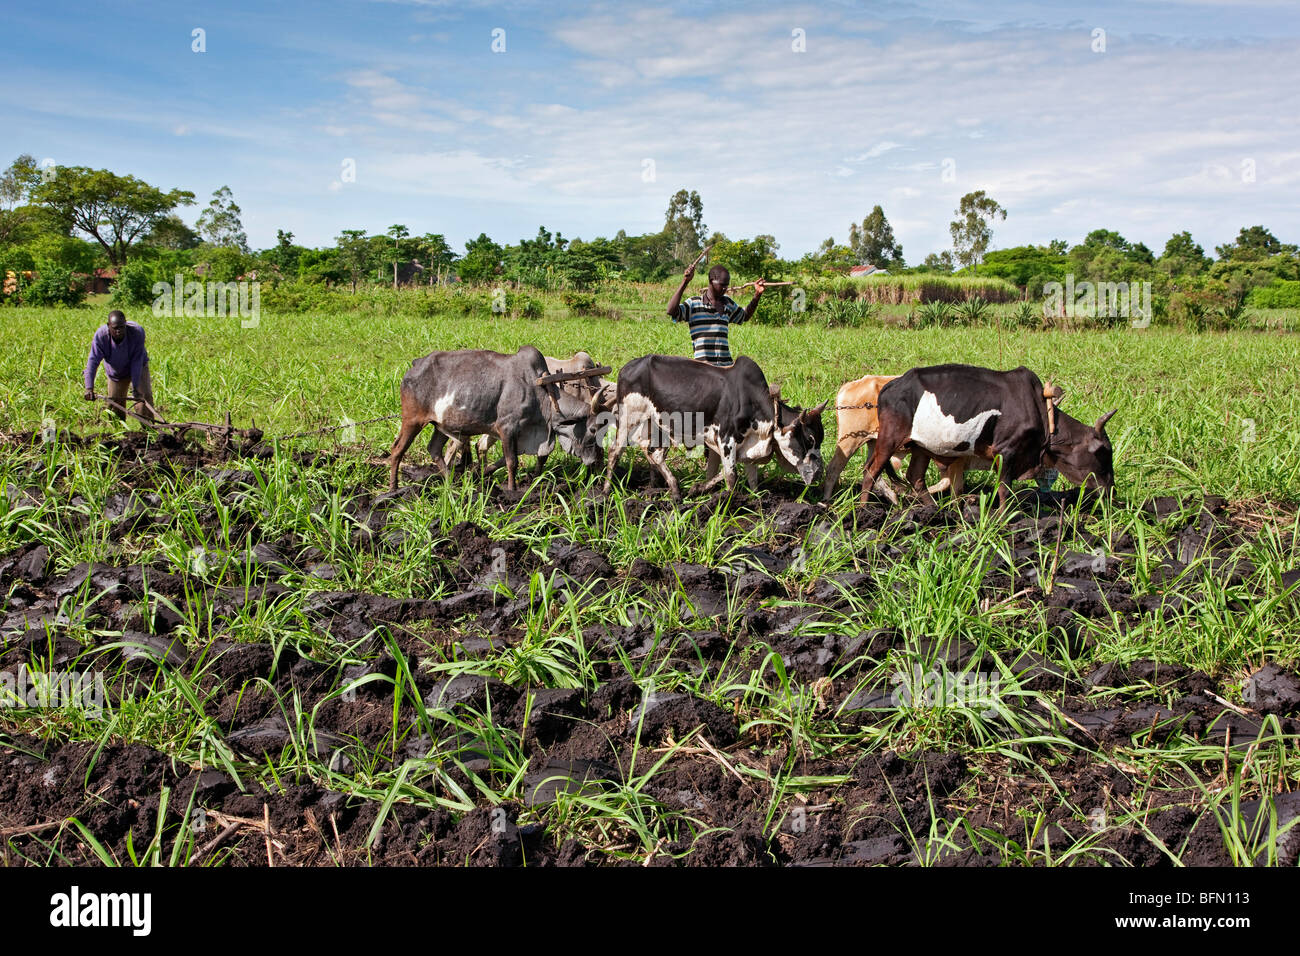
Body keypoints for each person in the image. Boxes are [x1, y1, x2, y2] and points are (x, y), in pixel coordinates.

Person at [667, 263, 766, 366]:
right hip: (704, 369)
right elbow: (671, 311)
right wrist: (685, 281)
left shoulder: (727, 304)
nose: (725, 288)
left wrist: (757, 295)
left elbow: (744, 316)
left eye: (727, 285)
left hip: (725, 368)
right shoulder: (694, 304)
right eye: (722, 284)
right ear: (711, 281)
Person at [83, 310, 155, 423]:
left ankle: (148, 428)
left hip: (139, 367)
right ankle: (119, 433)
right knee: (115, 404)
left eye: (121, 327)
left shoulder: (137, 333)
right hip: (116, 371)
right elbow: (93, 361)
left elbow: (136, 362)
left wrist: (135, 387)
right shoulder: (101, 337)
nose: (118, 331)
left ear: (125, 324)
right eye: (115, 328)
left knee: (143, 397)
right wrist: (89, 388)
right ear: (108, 326)